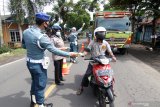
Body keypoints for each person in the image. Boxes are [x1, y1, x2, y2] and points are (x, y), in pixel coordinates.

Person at [22, 12, 78, 107]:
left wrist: (33, 47)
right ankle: (41, 105)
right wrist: (69, 54)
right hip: (38, 65)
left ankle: (33, 101)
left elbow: (23, 46)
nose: (48, 24)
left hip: (29, 62)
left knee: (35, 82)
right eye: (48, 22)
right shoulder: (41, 37)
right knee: (41, 85)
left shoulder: (26, 32)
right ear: (44, 23)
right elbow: (54, 50)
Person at [76, 26, 117, 95]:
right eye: (101, 33)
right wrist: (83, 54)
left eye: (103, 33)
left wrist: (113, 57)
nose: (102, 34)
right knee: (87, 74)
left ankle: (111, 89)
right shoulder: (92, 42)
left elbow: (110, 51)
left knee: (109, 74)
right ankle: (81, 87)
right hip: (94, 61)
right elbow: (88, 50)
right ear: (97, 35)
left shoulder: (105, 43)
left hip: (103, 60)